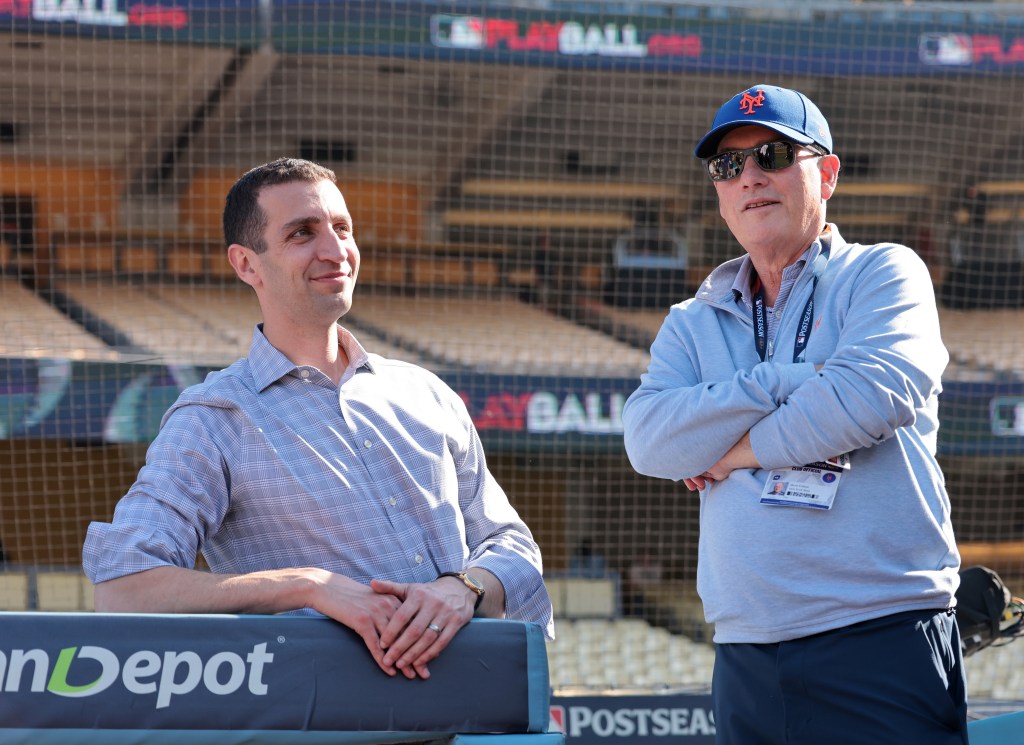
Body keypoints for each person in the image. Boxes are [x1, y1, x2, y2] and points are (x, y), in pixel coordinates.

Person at [83, 157, 553, 681]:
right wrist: (306, 584)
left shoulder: (427, 394)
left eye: (342, 228)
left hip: (472, 708)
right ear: (247, 264)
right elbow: (124, 588)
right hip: (325, 720)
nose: (335, 250)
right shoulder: (215, 418)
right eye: (303, 233)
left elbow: (513, 546)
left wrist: (462, 588)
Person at [622, 85, 967, 744]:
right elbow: (649, 442)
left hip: (881, 633)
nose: (749, 176)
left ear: (827, 173)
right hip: (747, 650)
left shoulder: (883, 273)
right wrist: (784, 380)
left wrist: (727, 452)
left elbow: (869, 397)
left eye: (772, 154)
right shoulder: (691, 322)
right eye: (728, 166)